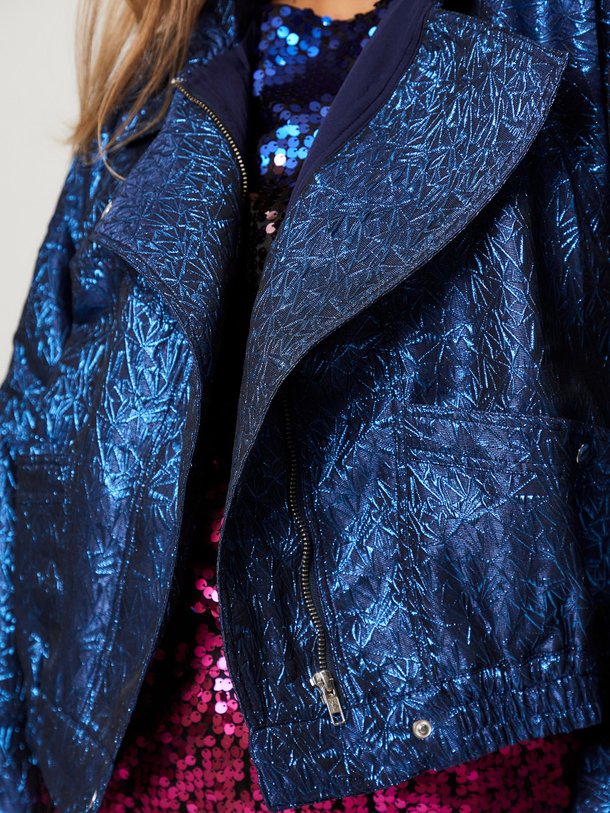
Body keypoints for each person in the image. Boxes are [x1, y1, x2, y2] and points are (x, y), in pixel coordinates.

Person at [1, 0, 609, 811]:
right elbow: (29, 461)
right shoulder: (163, 64)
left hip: (446, 772)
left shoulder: (561, 29)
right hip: (149, 776)